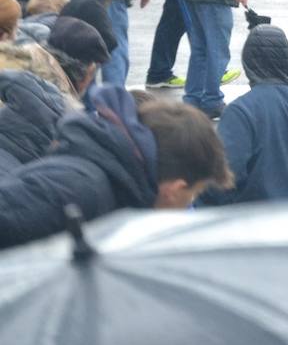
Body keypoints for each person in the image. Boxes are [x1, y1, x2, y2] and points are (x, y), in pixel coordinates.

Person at [0, 89, 231, 249]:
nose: (189, 203)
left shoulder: (116, 185)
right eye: (194, 193)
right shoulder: (81, 189)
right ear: (174, 188)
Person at [198, 25, 288, 205]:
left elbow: (223, 178)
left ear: (248, 61)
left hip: (251, 224)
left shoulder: (240, 112)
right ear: (285, 61)